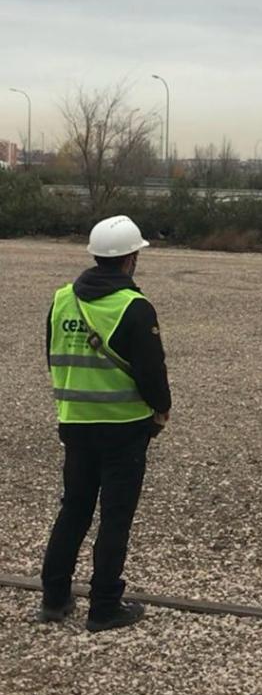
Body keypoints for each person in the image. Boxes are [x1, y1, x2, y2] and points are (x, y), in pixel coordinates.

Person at [40, 215, 171, 633]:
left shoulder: (63, 299)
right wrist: (162, 409)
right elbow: (152, 372)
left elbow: (52, 354)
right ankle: (104, 607)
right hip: (123, 427)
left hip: (75, 422)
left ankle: (54, 598)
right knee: (115, 516)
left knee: (74, 509)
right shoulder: (134, 306)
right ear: (131, 258)